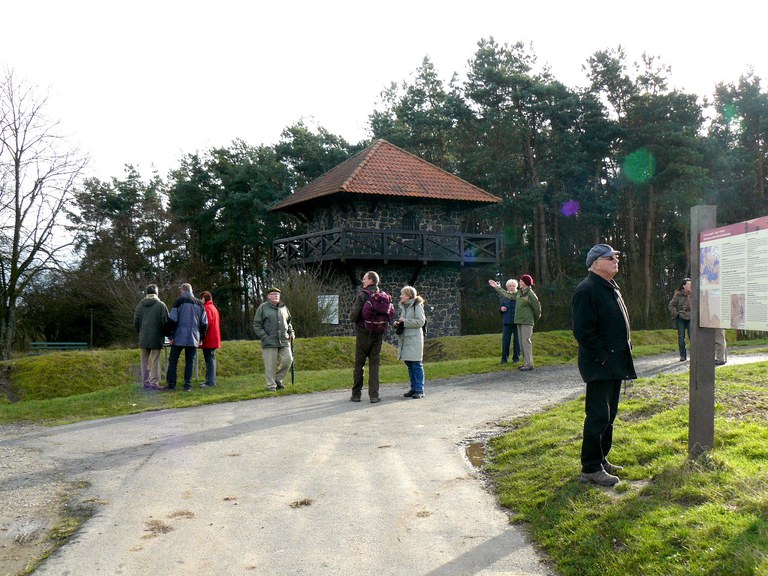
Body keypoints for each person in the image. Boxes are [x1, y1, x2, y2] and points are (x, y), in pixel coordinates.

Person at [572, 243, 637, 487]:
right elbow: (582, 331)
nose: (616, 260)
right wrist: (603, 357)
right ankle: (590, 468)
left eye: (616, 257)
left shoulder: (610, 287)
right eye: (610, 257)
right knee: (598, 416)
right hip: (600, 365)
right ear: (596, 263)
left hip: (614, 363)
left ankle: (601, 459)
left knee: (610, 415)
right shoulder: (587, 290)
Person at [350, 270, 394, 403]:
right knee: (374, 364)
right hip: (378, 332)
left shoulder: (363, 295)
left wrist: (353, 316)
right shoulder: (383, 296)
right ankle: (374, 395)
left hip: (364, 332)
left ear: (370, 280)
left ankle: (356, 394)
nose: (362, 281)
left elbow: (354, 316)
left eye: (364, 279)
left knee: (359, 364)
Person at [488, 274, 541, 371]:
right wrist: (497, 287)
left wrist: (532, 320)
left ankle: (529, 364)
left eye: (521, 281)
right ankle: (526, 363)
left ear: (526, 283)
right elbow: (507, 294)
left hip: (526, 322)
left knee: (526, 342)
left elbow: (537, 309)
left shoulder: (530, 294)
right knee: (522, 343)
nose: (519, 283)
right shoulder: (519, 293)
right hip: (519, 321)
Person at [165, 283, 208, 392]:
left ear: (182, 291)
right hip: (193, 337)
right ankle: (187, 385)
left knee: (173, 360)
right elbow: (204, 323)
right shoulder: (200, 303)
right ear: (191, 290)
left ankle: (171, 384)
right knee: (190, 361)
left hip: (179, 336)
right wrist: (201, 337)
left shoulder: (179, 301)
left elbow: (173, 320)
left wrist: (170, 335)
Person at [253, 287, 294, 392]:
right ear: (269, 296)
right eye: (274, 294)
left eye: (278, 294)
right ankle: (271, 385)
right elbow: (257, 325)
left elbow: (289, 322)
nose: (276, 296)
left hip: (284, 340)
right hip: (269, 341)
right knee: (270, 365)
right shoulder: (263, 307)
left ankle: (278, 379)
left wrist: (291, 333)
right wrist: (265, 337)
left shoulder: (283, 307)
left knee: (288, 360)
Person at [133, 284, 169, 390]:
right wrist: (165, 334)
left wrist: (141, 332)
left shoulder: (140, 305)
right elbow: (166, 322)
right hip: (156, 337)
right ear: (156, 293)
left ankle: (145, 382)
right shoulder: (161, 305)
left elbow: (135, 322)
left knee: (144, 360)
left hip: (143, 336)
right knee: (155, 360)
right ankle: (154, 383)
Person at [393, 285, 426, 399]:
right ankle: (413, 388)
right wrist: (399, 323)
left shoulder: (417, 306)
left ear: (409, 296)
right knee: (409, 363)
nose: (400, 296)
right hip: (406, 339)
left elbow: (421, 322)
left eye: (403, 294)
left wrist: (405, 321)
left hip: (414, 339)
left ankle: (419, 389)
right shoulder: (404, 307)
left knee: (416, 364)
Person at [489, 278, 520, 364]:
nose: (511, 287)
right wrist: (501, 309)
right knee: (505, 341)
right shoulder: (504, 298)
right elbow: (500, 309)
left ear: (516, 286)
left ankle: (516, 359)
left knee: (517, 341)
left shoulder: (519, 296)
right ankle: (504, 359)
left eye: (513, 286)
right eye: (509, 286)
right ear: (507, 287)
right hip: (507, 322)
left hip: (517, 322)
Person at [199, 291, 221, 387]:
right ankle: (208, 380)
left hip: (209, 338)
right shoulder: (213, 308)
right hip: (214, 337)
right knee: (210, 359)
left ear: (204, 298)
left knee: (209, 360)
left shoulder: (207, 309)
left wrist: (201, 337)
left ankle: (211, 382)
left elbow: (206, 324)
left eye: (201, 298)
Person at [668, 278, 692, 361]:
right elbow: (671, 305)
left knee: (692, 337)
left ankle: (694, 355)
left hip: (691, 317)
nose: (690, 286)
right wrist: (676, 313)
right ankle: (683, 355)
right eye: (688, 284)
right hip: (681, 317)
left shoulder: (694, 294)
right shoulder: (678, 294)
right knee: (681, 337)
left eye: (691, 284)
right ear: (684, 285)